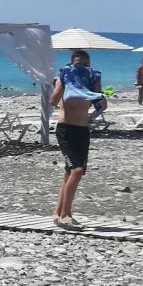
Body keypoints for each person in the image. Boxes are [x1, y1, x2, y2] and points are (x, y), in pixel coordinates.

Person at [50, 49, 103, 231]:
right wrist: (64, 81)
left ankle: (57, 213)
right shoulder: (65, 77)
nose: (81, 68)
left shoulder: (91, 80)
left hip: (83, 130)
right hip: (66, 129)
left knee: (69, 172)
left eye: (85, 65)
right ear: (72, 64)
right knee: (77, 170)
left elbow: (102, 105)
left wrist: (96, 88)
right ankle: (66, 216)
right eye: (78, 64)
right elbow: (52, 101)